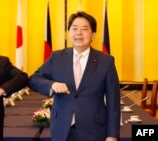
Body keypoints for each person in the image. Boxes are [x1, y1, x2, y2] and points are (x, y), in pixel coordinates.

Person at [28, 11, 120, 141]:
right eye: (74, 28)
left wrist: (112, 135)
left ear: (93, 35)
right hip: (61, 129)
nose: (78, 33)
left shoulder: (106, 61)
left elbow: (113, 101)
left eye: (84, 29)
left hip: (94, 130)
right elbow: (34, 79)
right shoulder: (57, 57)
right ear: (69, 33)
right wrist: (52, 85)